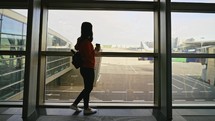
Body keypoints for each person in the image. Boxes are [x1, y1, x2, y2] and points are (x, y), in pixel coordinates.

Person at [70, 22, 100, 115]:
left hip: (83, 68)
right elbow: (89, 56)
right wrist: (96, 50)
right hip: (88, 67)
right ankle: (77, 104)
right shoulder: (87, 42)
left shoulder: (80, 40)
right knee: (88, 88)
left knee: (87, 88)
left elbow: (76, 48)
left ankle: (85, 107)